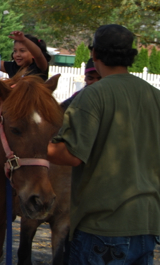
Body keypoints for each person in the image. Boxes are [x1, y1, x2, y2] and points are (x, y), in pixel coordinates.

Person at [48, 25, 160, 264]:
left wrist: (35, 144)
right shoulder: (154, 95)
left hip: (102, 227)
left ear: (94, 54)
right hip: (147, 224)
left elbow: (70, 154)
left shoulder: (93, 94)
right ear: (131, 55)